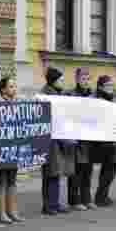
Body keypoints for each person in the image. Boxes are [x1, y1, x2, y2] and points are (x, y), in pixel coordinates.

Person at [41, 67, 75, 215]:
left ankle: (55, 203)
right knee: (50, 173)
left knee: (56, 172)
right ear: (53, 81)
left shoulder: (60, 94)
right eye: (61, 79)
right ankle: (49, 205)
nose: (63, 81)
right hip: (50, 139)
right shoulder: (46, 95)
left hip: (59, 138)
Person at [0, 76, 24, 224]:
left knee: (12, 180)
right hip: (1, 147)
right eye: (11, 86)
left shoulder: (17, 104)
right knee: (1, 180)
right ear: (3, 90)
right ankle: (1, 212)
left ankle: (12, 210)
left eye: (15, 86)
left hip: (14, 146)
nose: (14, 89)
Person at [67, 68, 95, 211]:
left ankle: (87, 199)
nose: (86, 81)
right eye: (83, 78)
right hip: (77, 138)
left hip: (89, 138)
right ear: (77, 79)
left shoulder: (92, 95)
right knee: (76, 172)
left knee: (87, 171)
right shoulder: (71, 94)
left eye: (88, 78)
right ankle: (74, 200)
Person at [91, 75, 116, 207]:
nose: (111, 88)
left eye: (112, 85)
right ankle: (100, 197)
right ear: (101, 87)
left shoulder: (109, 99)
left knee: (110, 170)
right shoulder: (99, 100)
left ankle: (103, 195)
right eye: (108, 85)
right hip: (103, 141)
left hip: (111, 139)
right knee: (108, 170)